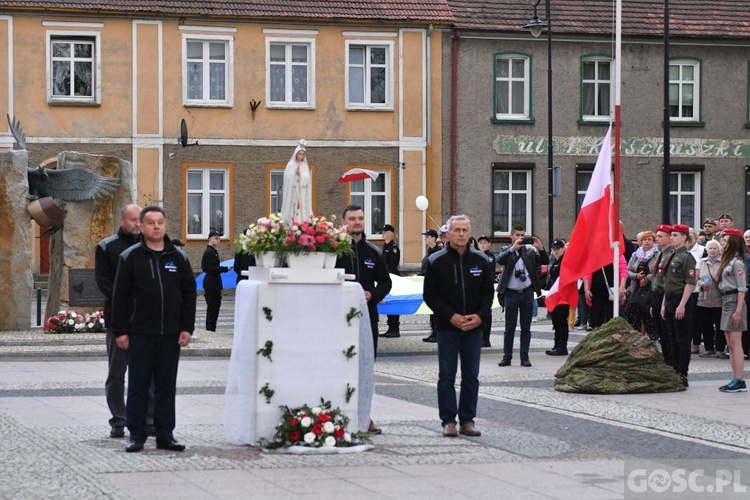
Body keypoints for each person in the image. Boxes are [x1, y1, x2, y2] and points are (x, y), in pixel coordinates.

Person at [111, 206, 197, 452]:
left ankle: (165, 435)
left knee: (166, 386)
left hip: (170, 334)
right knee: (138, 385)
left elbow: (189, 294)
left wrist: (186, 328)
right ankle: (136, 435)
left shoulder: (178, 257)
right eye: (151, 223)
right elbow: (120, 297)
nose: (156, 226)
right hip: (139, 334)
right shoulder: (130, 257)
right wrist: (121, 331)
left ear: (165, 225)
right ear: (141, 226)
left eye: (160, 222)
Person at [422, 215, 494, 438]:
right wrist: (450, 316)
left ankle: (467, 420)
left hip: (474, 328)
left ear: (469, 233)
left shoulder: (482, 261)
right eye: (457, 230)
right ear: (448, 234)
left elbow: (488, 293)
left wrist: (480, 317)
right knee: (447, 375)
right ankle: (448, 421)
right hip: (447, 327)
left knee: (471, 375)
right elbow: (430, 296)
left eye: (465, 230)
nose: (461, 234)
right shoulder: (436, 261)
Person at [95, 204, 153, 439]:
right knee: (117, 373)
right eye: (133, 220)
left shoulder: (150, 246)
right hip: (118, 319)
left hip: (146, 320)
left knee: (148, 372)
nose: (137, 225)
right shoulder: (107, 247)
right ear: (122, 221)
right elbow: (104, 283)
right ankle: (119, 419)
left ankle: (148, 420)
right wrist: (128, 301)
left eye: (140, 221)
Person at [336, 204, 392, 434]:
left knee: (365, 369)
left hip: (367, 318)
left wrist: (373, 295)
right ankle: (338, 414)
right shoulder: (334, 250)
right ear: (344, 222)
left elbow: (386, 282)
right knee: (340, 368)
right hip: (338, 319)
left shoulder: (373, 252)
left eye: (360, 218)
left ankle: (364, 416)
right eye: (352, 219)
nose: (357, 222)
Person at [496, 225, 549, 367]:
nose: (520, 237)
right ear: (511, 237)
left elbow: (545, 262)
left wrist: (540, 248)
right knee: (509, 328)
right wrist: (513, 248)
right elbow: (500, 260)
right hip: (511, 293)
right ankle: (507, 356)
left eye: (522, 235)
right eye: (517, 235)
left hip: (526, 293)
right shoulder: (507, 250)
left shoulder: (529, 252)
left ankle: (524, 357)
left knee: (526, 327)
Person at [660, 224, 697, 388]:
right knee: (670, 337)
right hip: (669, 299)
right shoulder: (671, 255)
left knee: (682, 339)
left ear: (684, 237)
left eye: (675, 235)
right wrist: (663, 304)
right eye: (672, 235)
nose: (672, 238)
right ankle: (673, 370)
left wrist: (682, 305)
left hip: (681, 299)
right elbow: (666, 283)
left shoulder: (687, 257)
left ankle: (682, 373)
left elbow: (690, 283)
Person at [717, 229, 748, 392]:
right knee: (730, 343)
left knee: (736, 343)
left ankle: (739, 379)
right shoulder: (727, 260)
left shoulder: (737, 263)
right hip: (726, 300)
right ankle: (734, 377)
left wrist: (738, 311)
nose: (722, 241)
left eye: (725, 239)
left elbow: (742, 288)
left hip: (735, 300)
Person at [624, 231, 660, 340]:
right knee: (634, 314)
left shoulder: (657, 255)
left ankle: (651, 339)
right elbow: (627, 271)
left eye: (649, 239)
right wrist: (636, 276)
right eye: (645, 240)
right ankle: (637, 338)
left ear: (654, 242)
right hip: (637, 288)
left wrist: (646, 278)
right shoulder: (635, 254)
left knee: (649, 316)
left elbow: (658, 272)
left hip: (651, 288)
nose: (647, 242)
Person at [697, 239, 723, 358]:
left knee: (719, 325)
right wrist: (701, 283)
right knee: (705, 325)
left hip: (719, 297)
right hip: (704, 297)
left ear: (719, 250)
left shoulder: (723, 262)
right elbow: (695, 278)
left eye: (715, 248)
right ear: (706, 250)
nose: (712, 251)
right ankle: (708, 348)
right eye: (710, 248)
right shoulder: (701, 262)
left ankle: (720, 349)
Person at [201, 230, 231, 332]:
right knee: (213, 308)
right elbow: (211, 269)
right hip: (212, 283)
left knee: (213, 307)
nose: (218, 241)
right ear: (210, 239)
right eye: (216, 238)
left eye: (219, 239)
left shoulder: (211, 251)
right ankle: (210, 329)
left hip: (212, 282)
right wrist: (224, 269)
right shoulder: (210, 252)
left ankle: (211, 328)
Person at [545, 239, 570, 356]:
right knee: (556, 322)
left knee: (561, 322)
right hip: (555, 295)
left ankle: (562, 346)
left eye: (558, 249)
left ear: (563, 248)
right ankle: (556, 345)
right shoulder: (556, 261)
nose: (555, 251)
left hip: (563, 296)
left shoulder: (565, 260)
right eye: (553, 249)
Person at [280, 139, 313, 224]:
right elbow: (287, 178)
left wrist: (301, 176)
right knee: (293, 208)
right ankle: (291, 223)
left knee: (302, 207)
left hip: (302, 191)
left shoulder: (304, 166)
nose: (301, 156)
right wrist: (295, 175)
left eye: (302, 154)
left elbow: (307, 180)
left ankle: (303, 223)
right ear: (296, 154)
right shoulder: (290, 165)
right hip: (293, 191)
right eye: (299, 154)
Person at [380, 224, 401, 338]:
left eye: (385, 231)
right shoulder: (385, 247)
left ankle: (395, 328)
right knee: (387, 302)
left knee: (393, 303)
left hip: (392, 279)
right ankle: (390, 327)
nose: (383, 234)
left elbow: (393, 266)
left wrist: (387, 276)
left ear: (391, 233)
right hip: (386, 279)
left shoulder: (393, 248)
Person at [421, 229, 441, 343]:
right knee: (431, 310)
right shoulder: (430, 251)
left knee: (436, 311)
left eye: (428, 236)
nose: (426, 238)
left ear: (434, 238)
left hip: (436, 285)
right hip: (428, 283)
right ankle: (433, 332)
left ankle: (437, 333)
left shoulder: (437, 251)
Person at [477, 235, 496, 348]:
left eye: (485, 243)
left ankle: (485, 338)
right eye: (481, 243)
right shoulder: (476, 256)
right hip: (477, 289)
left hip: (486, 289)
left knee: (487, 313)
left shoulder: (490, 257)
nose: (483, 245)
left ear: (488, 244)